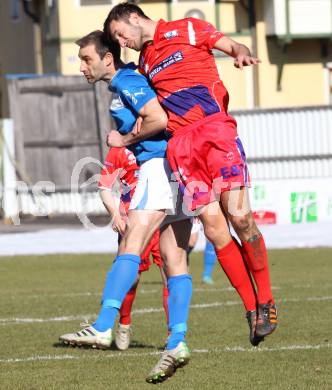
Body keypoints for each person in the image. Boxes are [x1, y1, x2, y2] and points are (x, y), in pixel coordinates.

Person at [104, 3, 278, 350]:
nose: (122, 42)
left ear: (134, 18)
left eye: (120, 34)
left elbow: (231, 46)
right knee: (214, 230)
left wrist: (241, 52)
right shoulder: (143, 64)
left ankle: (268, 300)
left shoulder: (187, 28)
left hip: (215, 133)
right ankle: (252, 310)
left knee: (241, 218)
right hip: (182, 149)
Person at [60, 31, 193, 383]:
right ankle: (177, 340)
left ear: (107, 58)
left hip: (159, 167)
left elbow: (157, 118)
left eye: (86, 59)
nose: (82, 67)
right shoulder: (127, 81)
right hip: (179, 168)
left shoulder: (127, 79)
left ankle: (104, 325)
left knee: (132, 242)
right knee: (174, 258)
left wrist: (125, 139)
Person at [60, 145, 169, 350]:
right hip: (133, 222)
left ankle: (173, 335)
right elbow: (104, 188)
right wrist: (116, 215)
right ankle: (124, 325)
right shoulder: (120, 148)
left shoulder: (162, 142)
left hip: (165, 219)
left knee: (170, 277)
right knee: (131, 279)